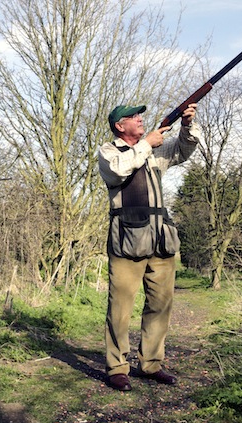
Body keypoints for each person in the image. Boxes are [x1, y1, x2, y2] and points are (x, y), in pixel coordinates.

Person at [98, 103, 201, 391]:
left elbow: (182, 150)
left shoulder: (152, 150)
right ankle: (117, 367)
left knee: (160, 304)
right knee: (120, 308)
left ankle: (151, 363)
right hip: (127, 240)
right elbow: (118, 172)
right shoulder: (109, 152)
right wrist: (146, 144)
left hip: (161, 239)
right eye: (133, 117)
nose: (140, 119)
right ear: (120, 125)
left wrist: (187, 125)